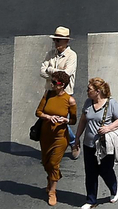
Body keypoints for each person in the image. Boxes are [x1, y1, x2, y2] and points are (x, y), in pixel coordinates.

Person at [72, 77, 118, 207]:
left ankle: (114, 189)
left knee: (105, 170)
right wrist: (77, 137)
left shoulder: (111, 103)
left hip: (104, 146)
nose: (87, 91)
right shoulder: (88, 103)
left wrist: (108, 128)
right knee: (90, 173)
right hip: (89, 145)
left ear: (98, 91)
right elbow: (83, 120)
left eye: (89, 89)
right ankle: (91, 200)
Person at [35, 70, 77, 206]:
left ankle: (52, 191)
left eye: (54, 82)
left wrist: (66, 120)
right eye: (51, 81)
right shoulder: (48, 94)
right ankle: (51, 179)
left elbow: (73, 121)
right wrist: (48, 117)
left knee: (54, 163)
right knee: (46, 162)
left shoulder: (70, 100)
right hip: (45, 135)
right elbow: (38, 112)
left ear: (62, 84)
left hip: (60, 137)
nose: (51, 84)